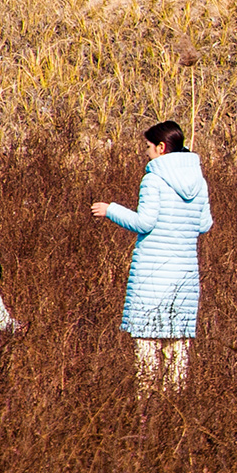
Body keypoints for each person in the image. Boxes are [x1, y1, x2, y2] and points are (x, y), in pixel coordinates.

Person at [91, 119, 213, 391]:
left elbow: (145, 223)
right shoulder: (198, 180)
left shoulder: (153, 179)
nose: (145, 153)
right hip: (185, 282)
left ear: (161, 147)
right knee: (177, 358)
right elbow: (204, 224)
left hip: (153, 279)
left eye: (147, 147)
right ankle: (174, 419)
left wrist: (110, 210)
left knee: (147, 357)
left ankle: (146, 420)